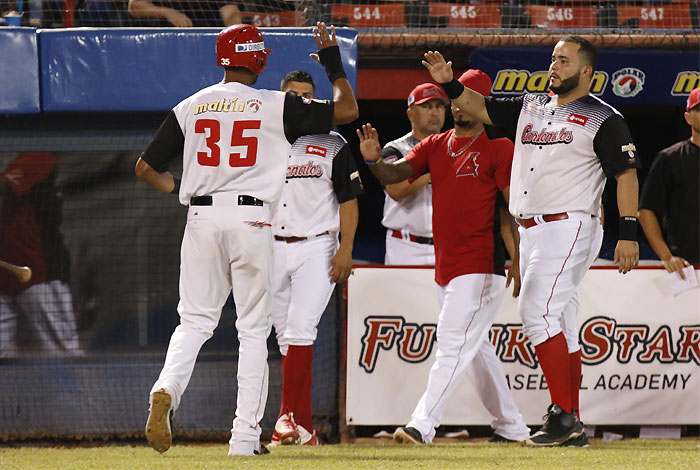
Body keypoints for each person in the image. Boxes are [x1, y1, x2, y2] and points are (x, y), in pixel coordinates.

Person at [134, 22, 358, 457]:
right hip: (253, 218)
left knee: (194, 321)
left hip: (200, 215)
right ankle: (243, 438)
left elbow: (144, 168)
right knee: (253, 332)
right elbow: (347, 109)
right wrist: (332, 59)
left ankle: (166, 388)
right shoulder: (278, 104)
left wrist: (184, 186)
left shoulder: (191, 105)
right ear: (258, 58)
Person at [422, 36, 640, 447]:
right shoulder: (531, 105)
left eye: (564, 60)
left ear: (587, 71)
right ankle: (571, 420)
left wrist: (628, 233)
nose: (554, 65)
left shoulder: (604, 117)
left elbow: (625, 175)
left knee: (536, 311)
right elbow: (478, 107)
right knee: (561, 322)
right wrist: (450, 85)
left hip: (569, 223)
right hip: (532, 228)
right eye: (552, 58)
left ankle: (562, 416)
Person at [358, 69, 531, 446]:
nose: (456, 106)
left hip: (480, 264)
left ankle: (423, 423)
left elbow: (510, 210)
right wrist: (374, 163)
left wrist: (517, 257)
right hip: (446, 262)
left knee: (453, 342)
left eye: (466, 98)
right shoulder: (436, 144)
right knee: (477, 349)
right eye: (456, 98)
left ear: (482, 104)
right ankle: (512, 427)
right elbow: (398, 174)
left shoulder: (499, 147)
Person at [268, 70, 363, 446]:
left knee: (300, 330)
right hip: (270, 245)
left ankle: (284, 419)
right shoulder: (263, 139)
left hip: (317, 245)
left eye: (309, 94)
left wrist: (346, 248)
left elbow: (349, 199)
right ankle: (303, 430)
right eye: (295, 95)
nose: (303, 101)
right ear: (283, 98)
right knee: (283, 339)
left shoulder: (334, 141)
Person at [0, 152, 81, 358]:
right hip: (6, 277)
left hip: (38, 275)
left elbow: (3, 187)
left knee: (65, 354)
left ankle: (77, 392)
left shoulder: (39, 156)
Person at [381, 83, 448, 266]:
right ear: (411, 113)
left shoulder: (455, 149)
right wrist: (432, 172)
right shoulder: (395, 149)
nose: (434, 112)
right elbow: (395, 191)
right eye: (426, 106)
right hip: (405, 245)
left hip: (447, 245)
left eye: (439, 106)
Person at [639, 87, 699, 277]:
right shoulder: (671, 158)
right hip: (685, 269)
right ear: (688, 117)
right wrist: (667, 256)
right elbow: (645, 211)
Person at [127, 0, 242, 27]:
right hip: (163, 41)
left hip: (206, 41)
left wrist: (234, 32)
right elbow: (134, 6)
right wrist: (167, 12)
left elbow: (230, 12)